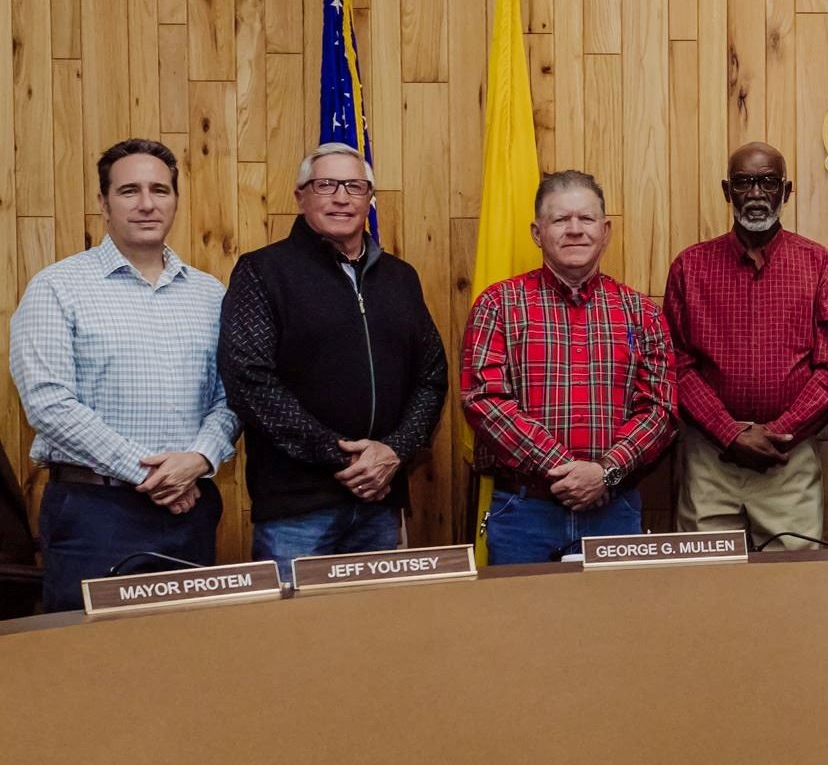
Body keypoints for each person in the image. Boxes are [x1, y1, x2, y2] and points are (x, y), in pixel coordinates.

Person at [11, 139, 237, 611]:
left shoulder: (209, 294)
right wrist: (153, 474)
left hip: (191, 510)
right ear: (103, 203)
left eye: (160, 189)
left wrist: (198, 458)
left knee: (187, 659)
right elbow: (49, 403)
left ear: (175, 199)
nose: (147, 203)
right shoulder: (57, 287)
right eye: (129, 190)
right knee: (87, 665)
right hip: (95, 514)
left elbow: (232, 395)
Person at [219, 143, 447, 581]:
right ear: (300, 196)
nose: (341, 197)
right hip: (297, 510)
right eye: (326, 185)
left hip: (381, 501)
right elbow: (249, 379)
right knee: (294, 641)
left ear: (369, 199)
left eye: (355, 186)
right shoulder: (263, 272)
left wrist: (394, 451)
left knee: (377, 638)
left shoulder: (401, 278)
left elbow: (432, 376)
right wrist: (339, 457)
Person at [463, 170, 678, 563]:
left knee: (614, 625)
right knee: (521, 624)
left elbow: (660, 411)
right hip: (524, 513)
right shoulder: (498, 305)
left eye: (587, 219)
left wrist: (605, 473)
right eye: (561, 219)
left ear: (606, 230)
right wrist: (563, 470)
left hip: (614, 510)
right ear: (536, 232)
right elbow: (484, 400)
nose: (575, 230)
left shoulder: (641, 313)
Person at [666, 143, 828, 550]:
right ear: (728, 191)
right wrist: (729, 433)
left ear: (788, 190)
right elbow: (677, 363)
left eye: (769, 182)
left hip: (788, 456)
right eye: (745, 182)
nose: (758, 193)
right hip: (711, 457)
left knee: (793, 588)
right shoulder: (690, 267)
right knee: (704, 583)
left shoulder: (819, 266)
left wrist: (779, 433)